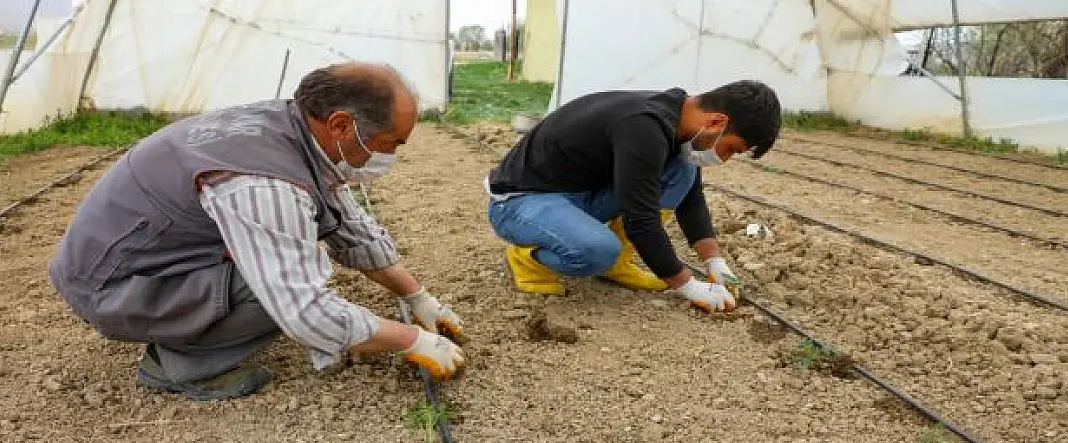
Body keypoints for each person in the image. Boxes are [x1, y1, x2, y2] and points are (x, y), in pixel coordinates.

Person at [48, 62, 465, 401]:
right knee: (292, 278)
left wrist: (417, 296)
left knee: (294, 257)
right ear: (340, 124)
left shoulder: (293, 130)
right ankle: (181, 365)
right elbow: (304, 310)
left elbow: (346, 225)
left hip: (138, 264)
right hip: (113, 287)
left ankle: (198, 328)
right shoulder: (262, 181)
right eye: (389, 143)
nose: (390, 155)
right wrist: (412, 340)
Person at [484, 81, 782, 312]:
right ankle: (527, 259)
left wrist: (715, 261)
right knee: (597, 250)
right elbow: (642, 220)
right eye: (731, 148)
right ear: (717, 122)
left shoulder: (675, 118)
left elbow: (691, 198)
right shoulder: (644, 126)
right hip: (520, 200)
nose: (726, 158)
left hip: (578, 193)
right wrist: (687, 286)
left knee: (683, 171)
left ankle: (618, 265)